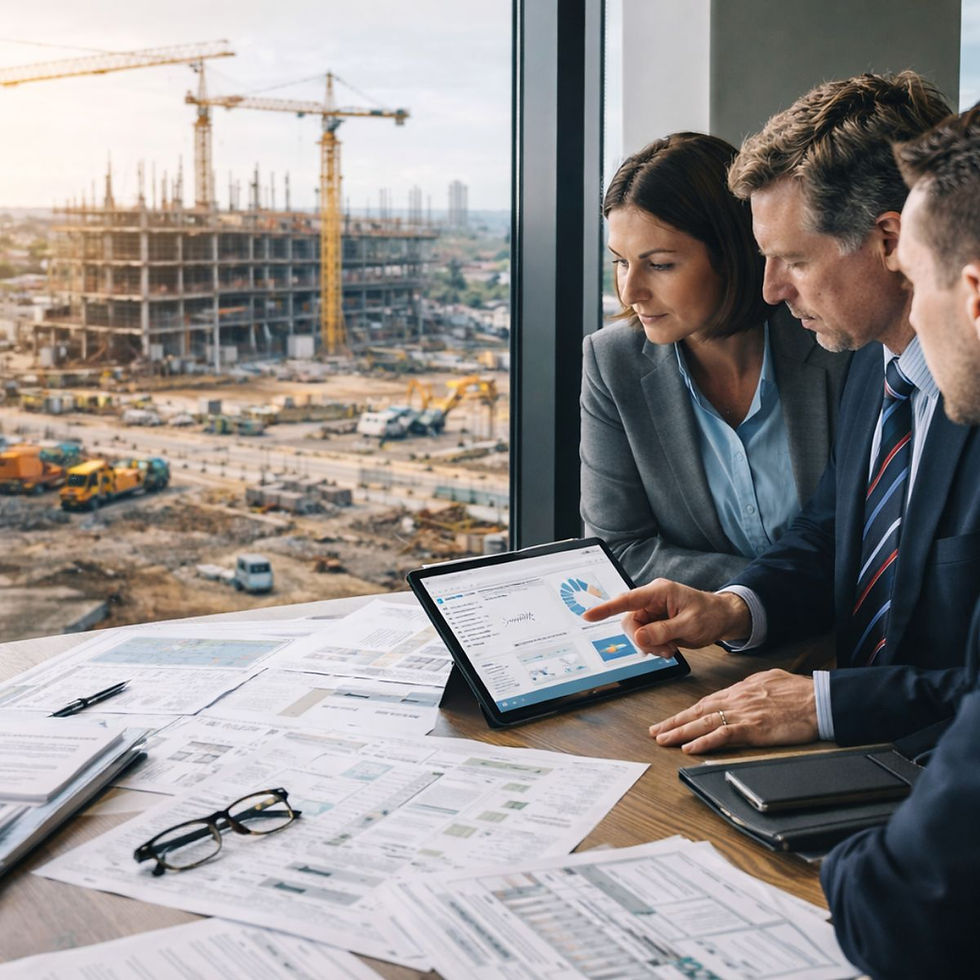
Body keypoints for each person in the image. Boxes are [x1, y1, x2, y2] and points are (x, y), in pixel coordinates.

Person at [585, 72, 980, 754]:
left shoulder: (952, 384)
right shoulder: (875, 365)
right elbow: (831, 532)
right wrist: (735, 607)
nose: (771, 289)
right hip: (863, 752)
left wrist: (823, 703)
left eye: (792, 260)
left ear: (890, 241)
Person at [821, 104, 980, 980]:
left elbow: (900, 912)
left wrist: (842, 851)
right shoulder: (871, 379)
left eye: (917, 284)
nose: (912, 322)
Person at [581, 133, 849, 591]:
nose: (630, 292)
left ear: (733, 253)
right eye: (621, 262)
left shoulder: (834, 340)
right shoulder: (613, 362)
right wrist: (755, 600)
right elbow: (618, 549)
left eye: (659, 264)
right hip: (712, 631)